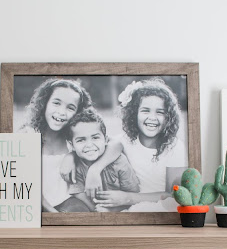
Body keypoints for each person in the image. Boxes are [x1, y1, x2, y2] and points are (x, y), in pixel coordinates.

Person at [80, 79, 187, 210]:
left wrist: (126, 197)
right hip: (126, 207)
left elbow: (173, 195)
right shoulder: (127, 140)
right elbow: (115, 144)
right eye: (145, 110)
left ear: (169, 117)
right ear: (134, 113)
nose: (152, 118)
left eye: (160, 112)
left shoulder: (174, 147)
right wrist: (94, 170)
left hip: (158, 209)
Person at [17, 78, 93, 212]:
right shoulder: (27, 135)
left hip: (68, 202)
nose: (62, 112)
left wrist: (72, 155)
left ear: (77, 113)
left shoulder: (74, 139)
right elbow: (27, 187)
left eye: (70, 107)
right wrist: (54, 215)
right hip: (35, 204)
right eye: (56, 103)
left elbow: (114, 144)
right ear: (44, 103)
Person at [56, 109, 140, 212]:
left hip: (121, 207)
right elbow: (78, 192)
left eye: (95, 138)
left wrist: (111, 211)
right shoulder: (75, 165)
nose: (89, 145)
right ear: (72, 145)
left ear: (105, 139)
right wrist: (95, 210)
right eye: (81, 140)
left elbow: (133, 195)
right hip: (93, 210)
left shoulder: (119, 161)